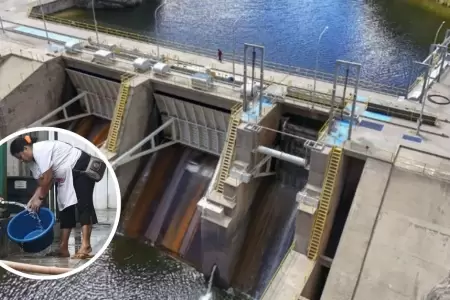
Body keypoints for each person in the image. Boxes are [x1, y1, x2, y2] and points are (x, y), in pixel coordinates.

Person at [10, 135, 99, 259]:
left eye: (20, 157)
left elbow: (48, 178)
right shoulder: (31, 162)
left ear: (26, 149)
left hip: (80, 166)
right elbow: (42, 183)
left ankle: (86, 246)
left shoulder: (41, 150)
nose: (21, 160)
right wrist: (33, 198)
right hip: (64, 174)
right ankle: (63, 248)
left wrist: (40, 199)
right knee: (64, 207)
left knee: (84, 204)